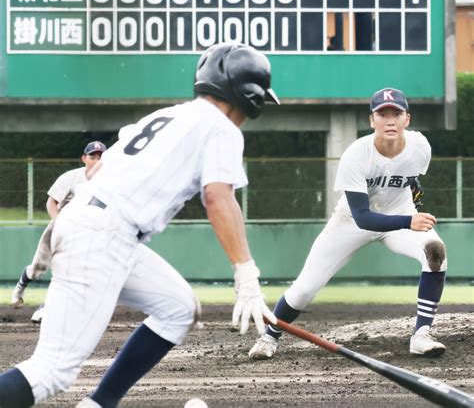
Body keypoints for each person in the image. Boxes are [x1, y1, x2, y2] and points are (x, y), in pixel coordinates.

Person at [0, 42, 279, 408]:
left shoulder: (170, 116)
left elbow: (100, 169)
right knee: (52, 370)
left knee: (178, 307)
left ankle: (100, 403)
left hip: (99, 226)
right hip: (103, 234)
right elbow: (218, 198)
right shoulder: (221, 128)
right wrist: (246, 275)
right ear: (250, 96)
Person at [249, 87, 448, 360]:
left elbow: (409, 178)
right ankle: (269, 337)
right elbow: (363, 217)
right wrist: (408, 220)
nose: (390, 120)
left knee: (435, 251)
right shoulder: (356, 155)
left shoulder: (420, 147)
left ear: (407, 119)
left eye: (396, 113)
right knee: (304, 289)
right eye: (382, 114)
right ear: (371, 120)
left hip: (401, 213)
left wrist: (409, 197)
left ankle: (421, 335)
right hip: (352, 222)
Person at [10, 141, 107, 323]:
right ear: (84, 158)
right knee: (38, 267)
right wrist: (60, 222)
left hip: (88, 232)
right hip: (61, 226)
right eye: (92, 156)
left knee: (70, 269)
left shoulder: (110, 182)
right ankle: (21, 287)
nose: (96, 160)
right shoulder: (71, 177)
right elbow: (51, 202)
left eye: (100, 157)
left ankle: (45, 308)